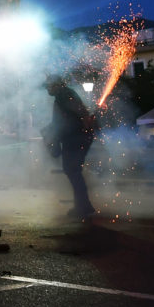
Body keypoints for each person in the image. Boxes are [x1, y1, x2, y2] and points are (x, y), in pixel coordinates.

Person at [43, 76, 99, 219]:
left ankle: (83, 207)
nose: (47, 89)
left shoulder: (64, 94)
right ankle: (83, 205)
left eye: (49, 86)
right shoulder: (64, 94)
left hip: (75, 138)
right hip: (76, 137)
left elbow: (79, 111)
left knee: (72, 170)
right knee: (73, 171)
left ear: (56, 85)